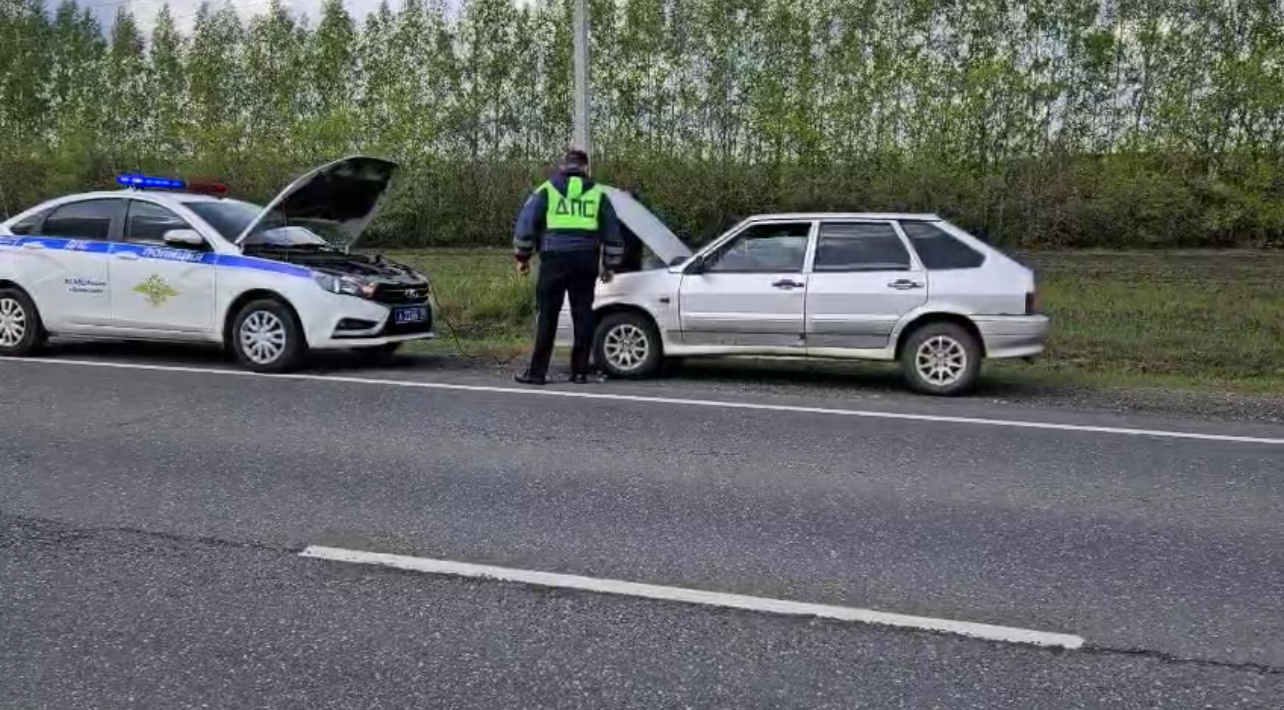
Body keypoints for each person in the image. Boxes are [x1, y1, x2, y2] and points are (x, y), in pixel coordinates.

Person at [512, 149, 624, 385]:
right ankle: (580, 373)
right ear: (586, 168)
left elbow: (526, 224)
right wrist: (610, 265)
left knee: (547, 315)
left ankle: (537, 373)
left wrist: (522, 257)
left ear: (563, 166)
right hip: (586, 260)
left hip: (554, 259)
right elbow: (612, 232)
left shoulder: (547, 190)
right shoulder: (598, 194)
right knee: (583, 314)